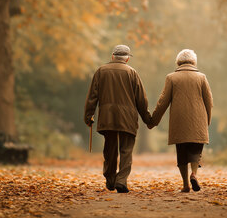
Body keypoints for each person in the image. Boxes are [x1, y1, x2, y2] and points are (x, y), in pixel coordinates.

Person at [84, 44, 151, 193]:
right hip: (128, 118)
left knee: (110, 149)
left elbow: (92, 97)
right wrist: (147, 119)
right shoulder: (132, 73)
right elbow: (141, 99)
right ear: (127, 59)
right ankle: (121, 180)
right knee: (126, 150)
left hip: (107, 117)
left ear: (113, 56)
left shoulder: (101, 71)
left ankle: (110, 179)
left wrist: (88, 116)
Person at [148, 49, 213, 193]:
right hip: (198, 120)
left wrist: (154, 120)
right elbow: (209, 101)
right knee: (196, 150)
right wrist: (207, 120)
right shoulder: (201, 77)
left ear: (178, 62)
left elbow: (163, 101)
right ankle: (194, 174)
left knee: (182, 152)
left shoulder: (171, 78)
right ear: (193, 61)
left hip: (179, 120)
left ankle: (185, 185)